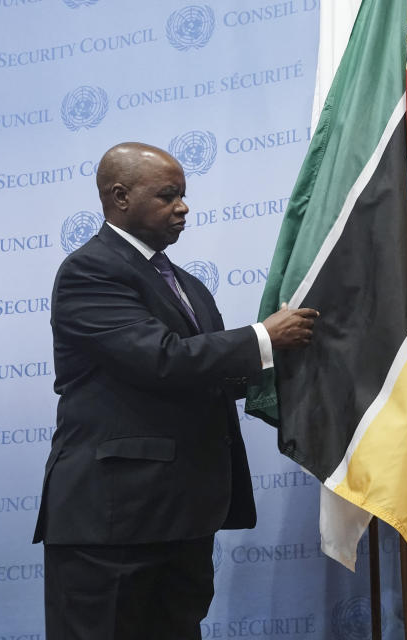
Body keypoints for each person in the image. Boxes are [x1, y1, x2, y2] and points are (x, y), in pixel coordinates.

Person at [32, 142, 318, 639]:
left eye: (183, 195)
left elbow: (210, 376)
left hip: (182, 515)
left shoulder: (187, 284)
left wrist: (307, 364)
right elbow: (159, 360)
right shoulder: (89, 270)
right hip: (113, 521)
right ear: (119, 197)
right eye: (168, 196)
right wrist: (264, 337)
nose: (183, 207)